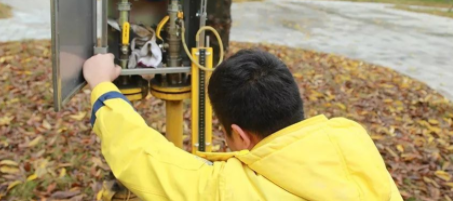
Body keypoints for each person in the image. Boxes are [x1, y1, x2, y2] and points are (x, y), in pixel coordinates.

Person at [84, 49, 403, 201]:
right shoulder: (352, 139)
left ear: (238, 135)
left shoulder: (230, 190)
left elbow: (141, 155)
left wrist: (101, 85)